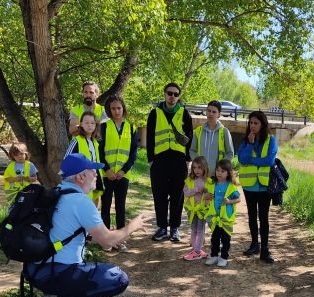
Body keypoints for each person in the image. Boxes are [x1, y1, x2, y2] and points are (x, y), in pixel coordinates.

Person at [24, 153, 149, 297]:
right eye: (92, 171)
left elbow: (67, 231)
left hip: (35, 272)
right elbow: (107, 242)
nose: (97, 174)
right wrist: (132, 227)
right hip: (59, 272)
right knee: (119, 278)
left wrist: (107, 237)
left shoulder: (55, 193)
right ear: (81, 177)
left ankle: (53, 293)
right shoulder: (80, 201)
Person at [146, 82, 193, 243]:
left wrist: (187, 160)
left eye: (175, 94)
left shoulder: (184, 114)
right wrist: (150, 159)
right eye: (169, 93)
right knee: (159, 195)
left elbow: (190, 138)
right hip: (159, 161)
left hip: (179, 161)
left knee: (177, 196)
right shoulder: (155, 113)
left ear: (178, 97)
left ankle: (174, 228)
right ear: (164, 94)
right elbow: (150, 137)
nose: (172, 97)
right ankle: (161, 227)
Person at [99, 96, 138, 252]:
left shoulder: (131, 127)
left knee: (120, 206)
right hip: (106, 174)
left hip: (123, 175)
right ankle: (106, 240)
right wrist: (107, 169)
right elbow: (100, 151)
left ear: (123, 109)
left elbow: (133, 152)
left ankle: (121, 240)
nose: (116, 111)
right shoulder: (104, 127)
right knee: (106, 206)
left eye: (119, 108)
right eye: (113, 108)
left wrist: (123, 171)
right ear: (109, 110)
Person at [238, 111, 278, 263]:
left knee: (264, 217)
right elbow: (242, 159)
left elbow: (268, 160)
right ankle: (254, 244)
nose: (252, 126)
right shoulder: (245, 141)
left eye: (256, 123)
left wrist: (252, 160)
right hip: (249, 186)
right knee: (252, 216)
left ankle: (265, 250)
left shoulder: (271, 140)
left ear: (262, 124)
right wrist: (249, 145)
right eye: (251, 123)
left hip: (263, 185)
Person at [204, 159, 241, 268]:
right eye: (217, 170)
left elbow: (238, 199)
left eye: (222, 171)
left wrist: (229, 201)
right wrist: (207, 197)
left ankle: (224, 257)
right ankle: (214, 256)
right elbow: (206, 196)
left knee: (225, 239)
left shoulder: (231, 186)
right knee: (214, 238)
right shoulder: (212, 184)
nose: (219, 173)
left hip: (226, 219)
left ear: (228, 173)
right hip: (215, 218)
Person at [65, 111, 104, 206]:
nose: (90, 125)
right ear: (81, 124)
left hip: (93, 182)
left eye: (92, 123)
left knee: (92, 209)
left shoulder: (95, 143)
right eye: (86, 123)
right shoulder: (76, 141)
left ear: (95, 125)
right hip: (81, 183)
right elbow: (66, 162)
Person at [190, 100, 234, 171]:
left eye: (214, 112)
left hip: (217, 176)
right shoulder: (198, 131)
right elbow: (192, 150)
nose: (211, 114)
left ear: (219, 114)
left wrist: (221, 168)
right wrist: (198, 165)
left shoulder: (224, 131)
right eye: (209, 111)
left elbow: (230, 153)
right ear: (206, 112)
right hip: (201, 175)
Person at [182, 156, 209, 261]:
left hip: (202, 211)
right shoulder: (189, 180)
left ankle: (197, 251)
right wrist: (197, 189)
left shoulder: (209, 181)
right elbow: (186, 193)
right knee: (194, 229)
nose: (196, 170)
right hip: (192, 210)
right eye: (194, 168)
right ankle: (195, 250)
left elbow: (210, 197)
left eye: (199, 167)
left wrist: (206, 196)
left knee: (201, 229)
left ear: (204, 168)